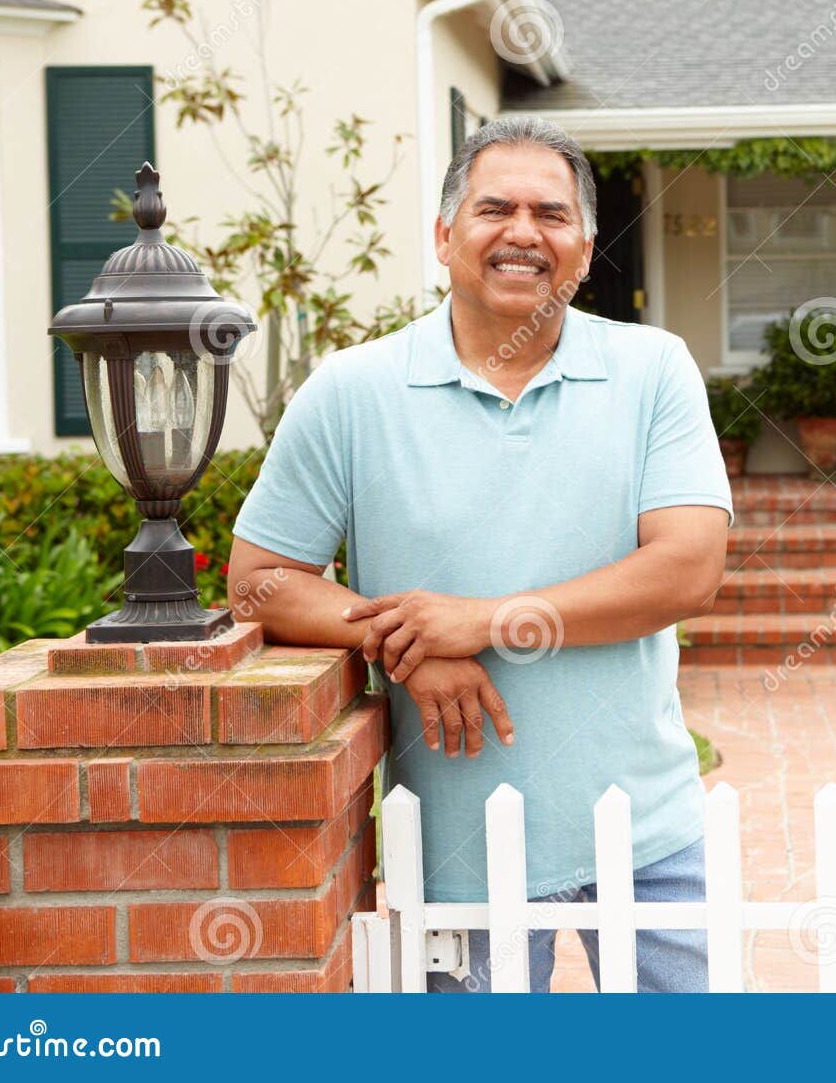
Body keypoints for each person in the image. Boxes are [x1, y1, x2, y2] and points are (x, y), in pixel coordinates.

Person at [227, 115, 732, 992]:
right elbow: (259, 582)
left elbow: (688, 568)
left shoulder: (654, 368)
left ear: (582, 247)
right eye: (495, 207)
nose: (524, 232)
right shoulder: (353, 389)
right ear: (444, 236)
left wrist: (480, 622)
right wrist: (407, 642)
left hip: (648, 826)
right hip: (457, 844)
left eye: (552, 214)